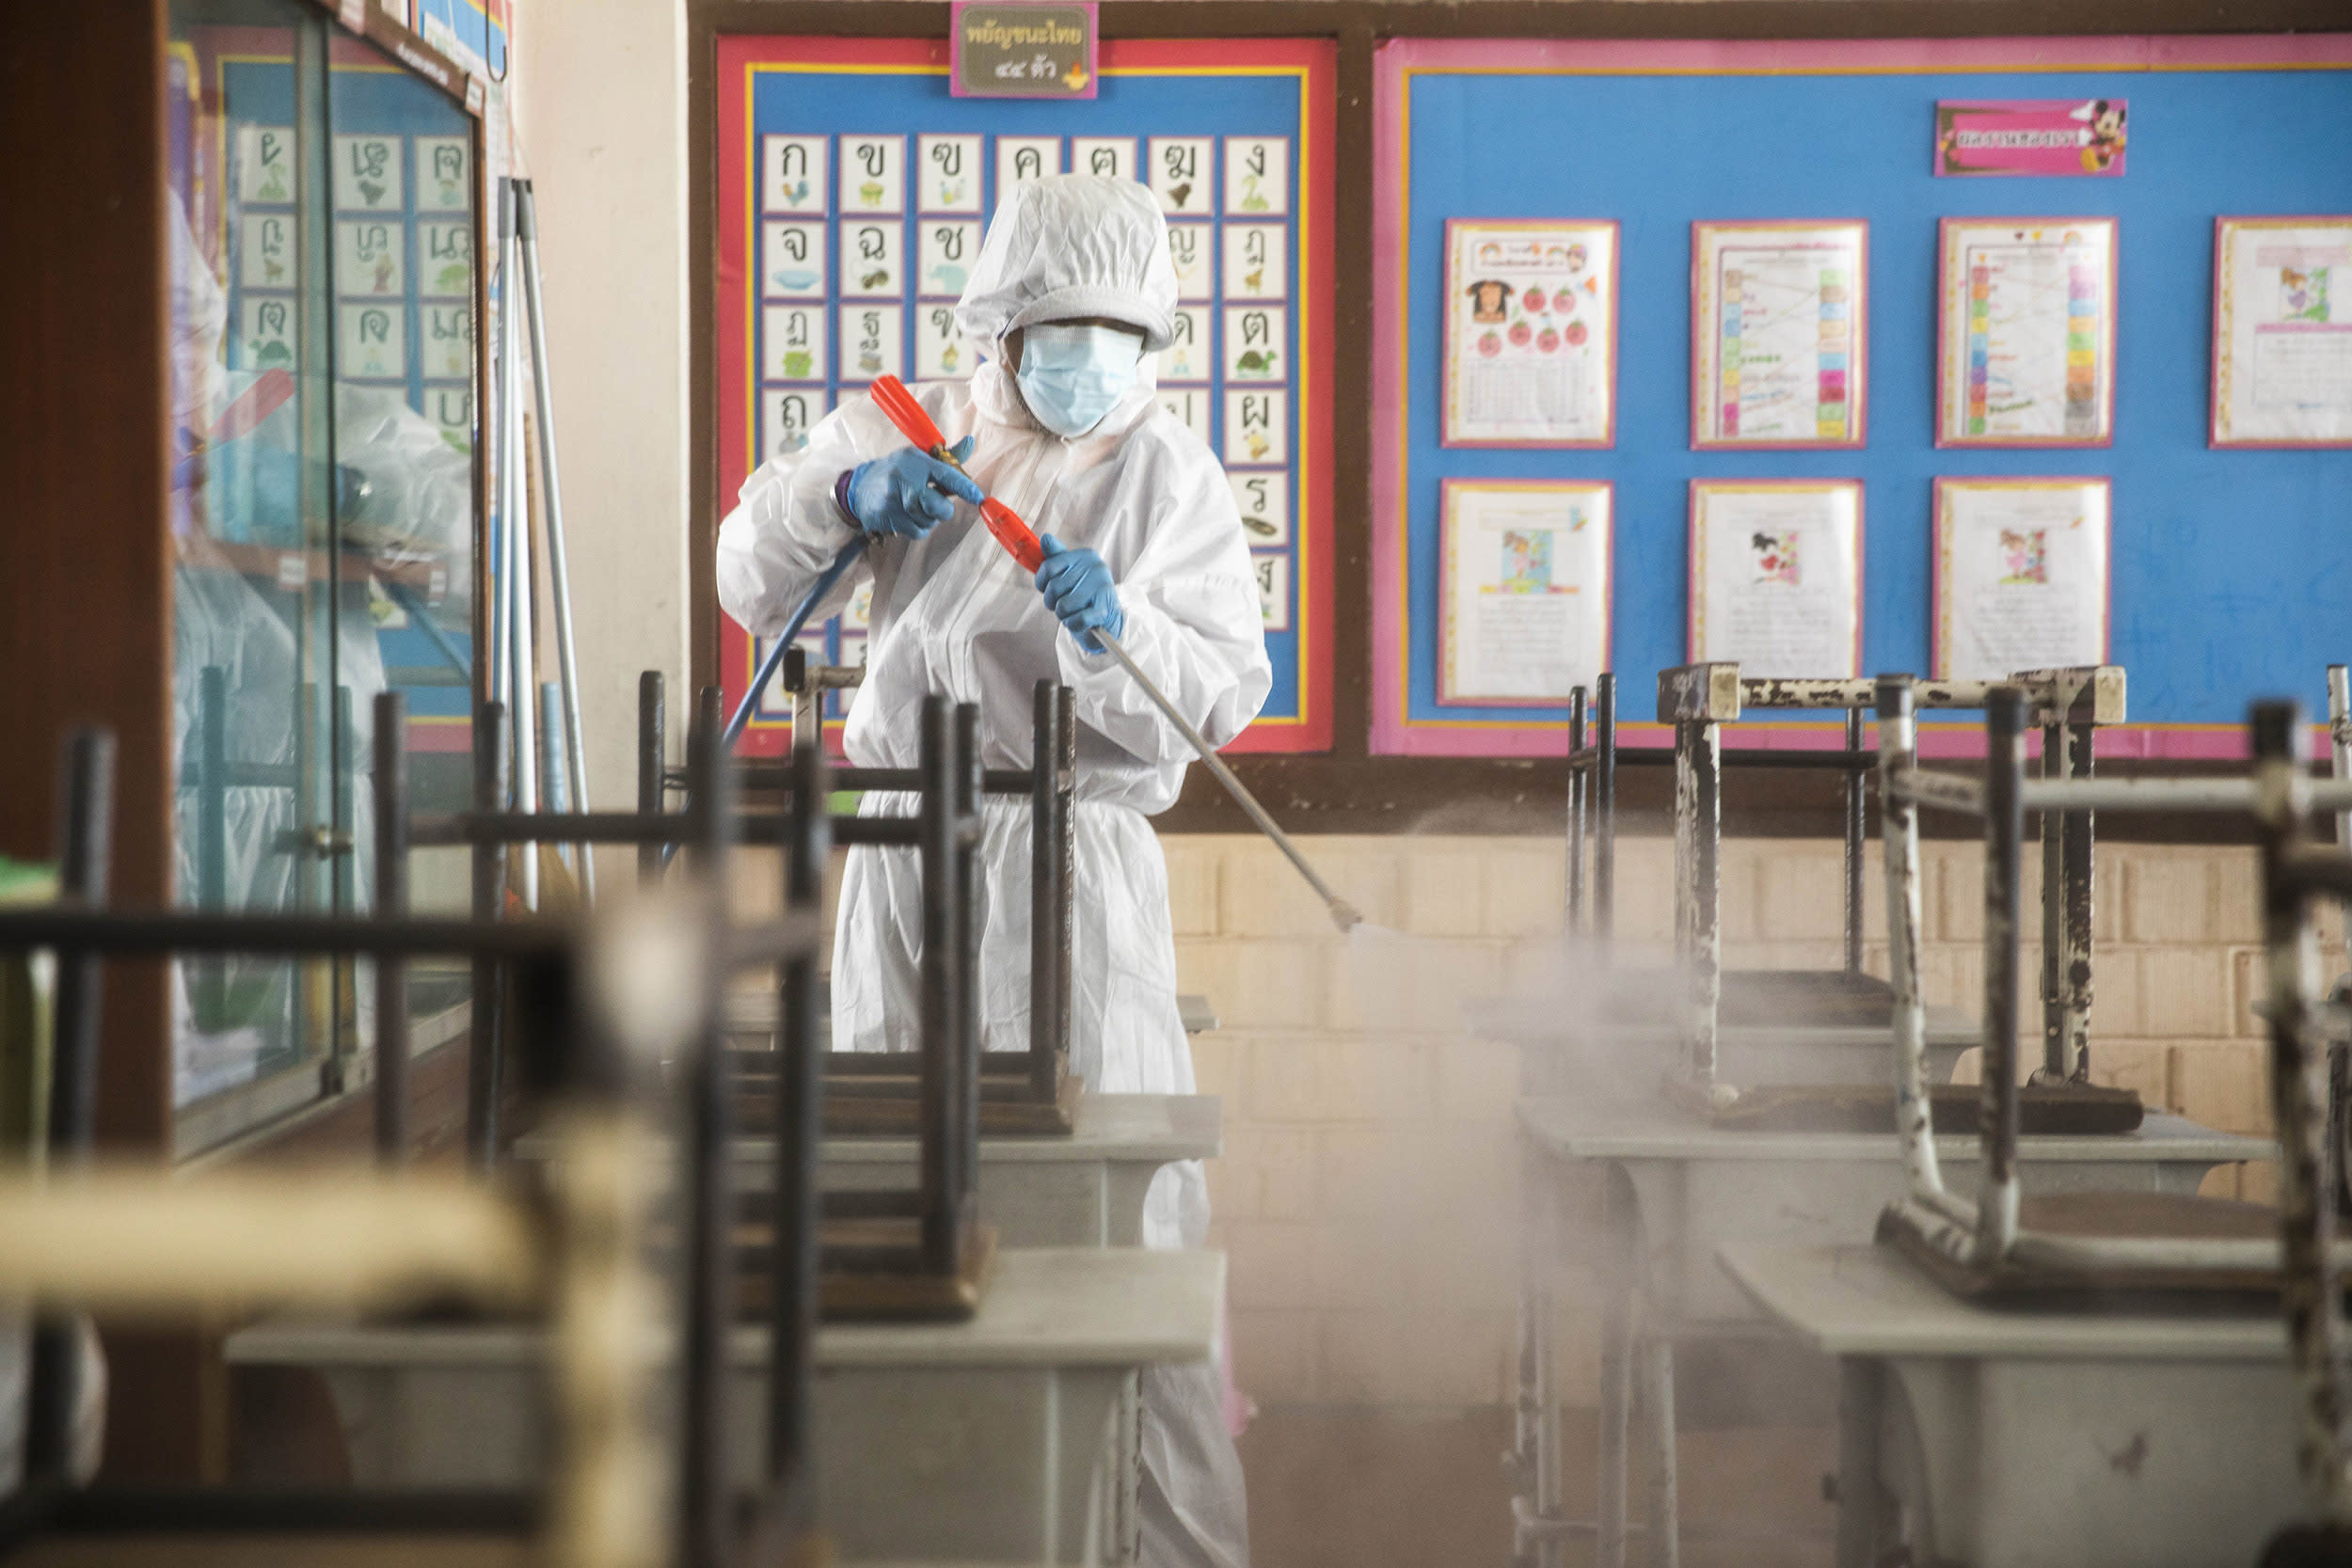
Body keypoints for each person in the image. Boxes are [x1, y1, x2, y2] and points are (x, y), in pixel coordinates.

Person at [716, 173, 1267, 1568]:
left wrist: (1118, 620)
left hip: (1077, 865)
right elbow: (746, 569)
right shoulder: (911, 430)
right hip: (909, 856)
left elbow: (1218, 695)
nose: (1091, 365)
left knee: (1125, 1233)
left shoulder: (1171, 473)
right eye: (1059, 333)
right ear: (1002, 328)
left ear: (1155, 337)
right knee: (899, 1215)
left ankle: (1159, 1552)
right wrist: (845, 495)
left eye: (1117, 336)